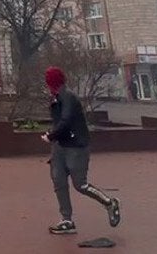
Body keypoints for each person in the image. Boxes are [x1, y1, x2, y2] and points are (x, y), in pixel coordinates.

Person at [41, 66, 122, 235]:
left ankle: (109, 203)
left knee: (80, 184)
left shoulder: (68, 97)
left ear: (52, 82)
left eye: (48, 82)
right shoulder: (55, 98)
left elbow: (66, 120)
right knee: (58, 181)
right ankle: (67, 220)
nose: (47, 85)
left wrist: (51, 135)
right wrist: (53, 135)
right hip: (60, 146)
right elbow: (58, 122)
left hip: (76, 146)